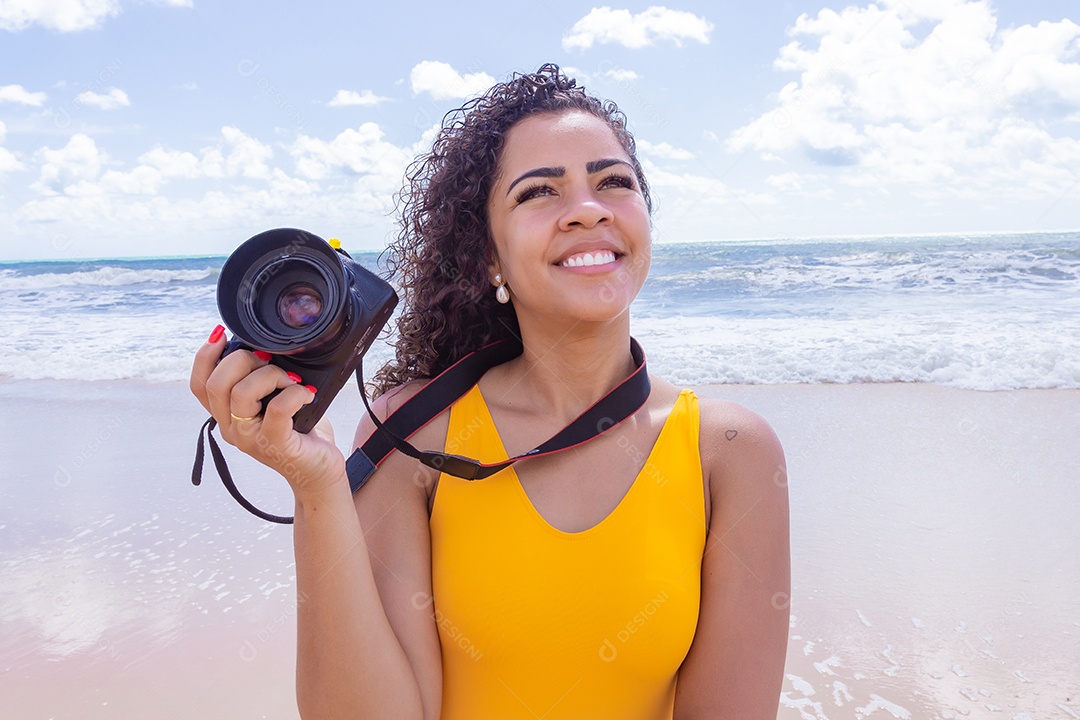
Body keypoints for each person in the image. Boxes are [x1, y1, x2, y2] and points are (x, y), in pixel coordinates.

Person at [190, 64, 789, 720]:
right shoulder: (412, 437)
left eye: (614, 182)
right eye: (539, 193)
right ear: (489, 258)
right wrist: (317, 489)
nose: (588, 208)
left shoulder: (730, 452)